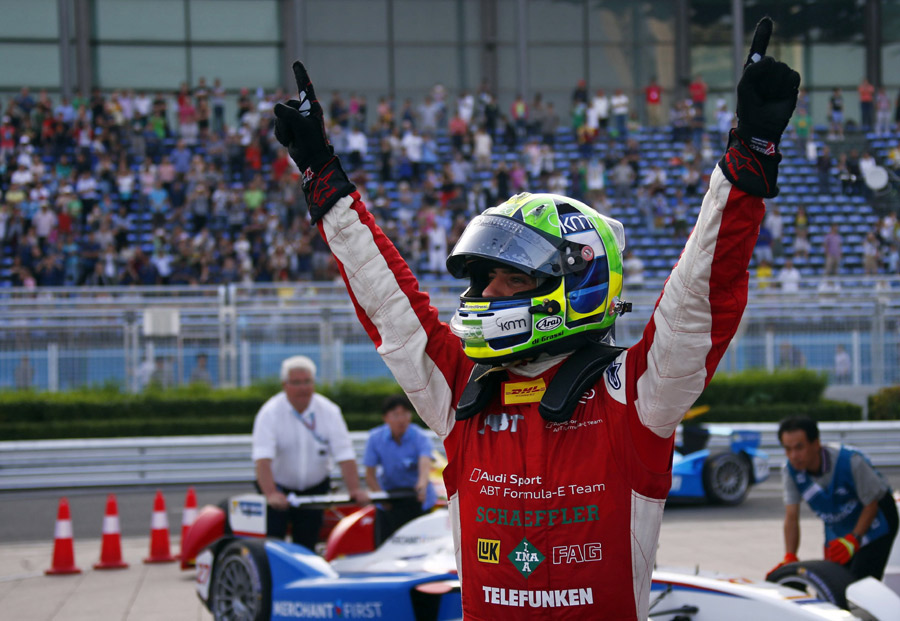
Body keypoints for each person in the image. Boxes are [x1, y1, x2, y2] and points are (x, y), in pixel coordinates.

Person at [272, 18, 798, 618]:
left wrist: (748, 158)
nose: (487, 293)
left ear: (576, 284)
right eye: (482, 278)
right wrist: (320, 176)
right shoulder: (460, 392)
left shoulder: (637, 396)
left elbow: (702, 296)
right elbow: (388, 305)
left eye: (512, 277)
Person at [251, 355, 369, 549]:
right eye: (296, 383)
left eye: (307, 382)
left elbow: (345, 455)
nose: (303, 388)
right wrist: (271, 493)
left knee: (307, 544)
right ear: (285, 385)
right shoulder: (270, 413)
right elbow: (262, 459)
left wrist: (354, 489)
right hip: (278, 489)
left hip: (314, 490)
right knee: (273, 543)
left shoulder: (329, 411)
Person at [770, 415, 898, 581]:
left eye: (799, 447)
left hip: (877, 518)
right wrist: (790, 555)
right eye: (788, 449)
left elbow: (871, 504)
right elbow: (791, 516)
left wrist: (854, 539)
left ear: (816, 443)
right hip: (841, 523)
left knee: (858, 580)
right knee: (831, 581)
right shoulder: (790, 471)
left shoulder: (850, 461)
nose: (794, 455)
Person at [363, 394, 437, 546]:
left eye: (405, 413)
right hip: (389, 499)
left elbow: (425, 463)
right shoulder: (374, 438)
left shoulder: (420, 436)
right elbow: (370, 475)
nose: (401, 419)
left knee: (420, 547)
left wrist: (422, 485)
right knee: (386, 546)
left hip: (418, 498)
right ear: (386, 418)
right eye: (396, 415)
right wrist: (380, 496)